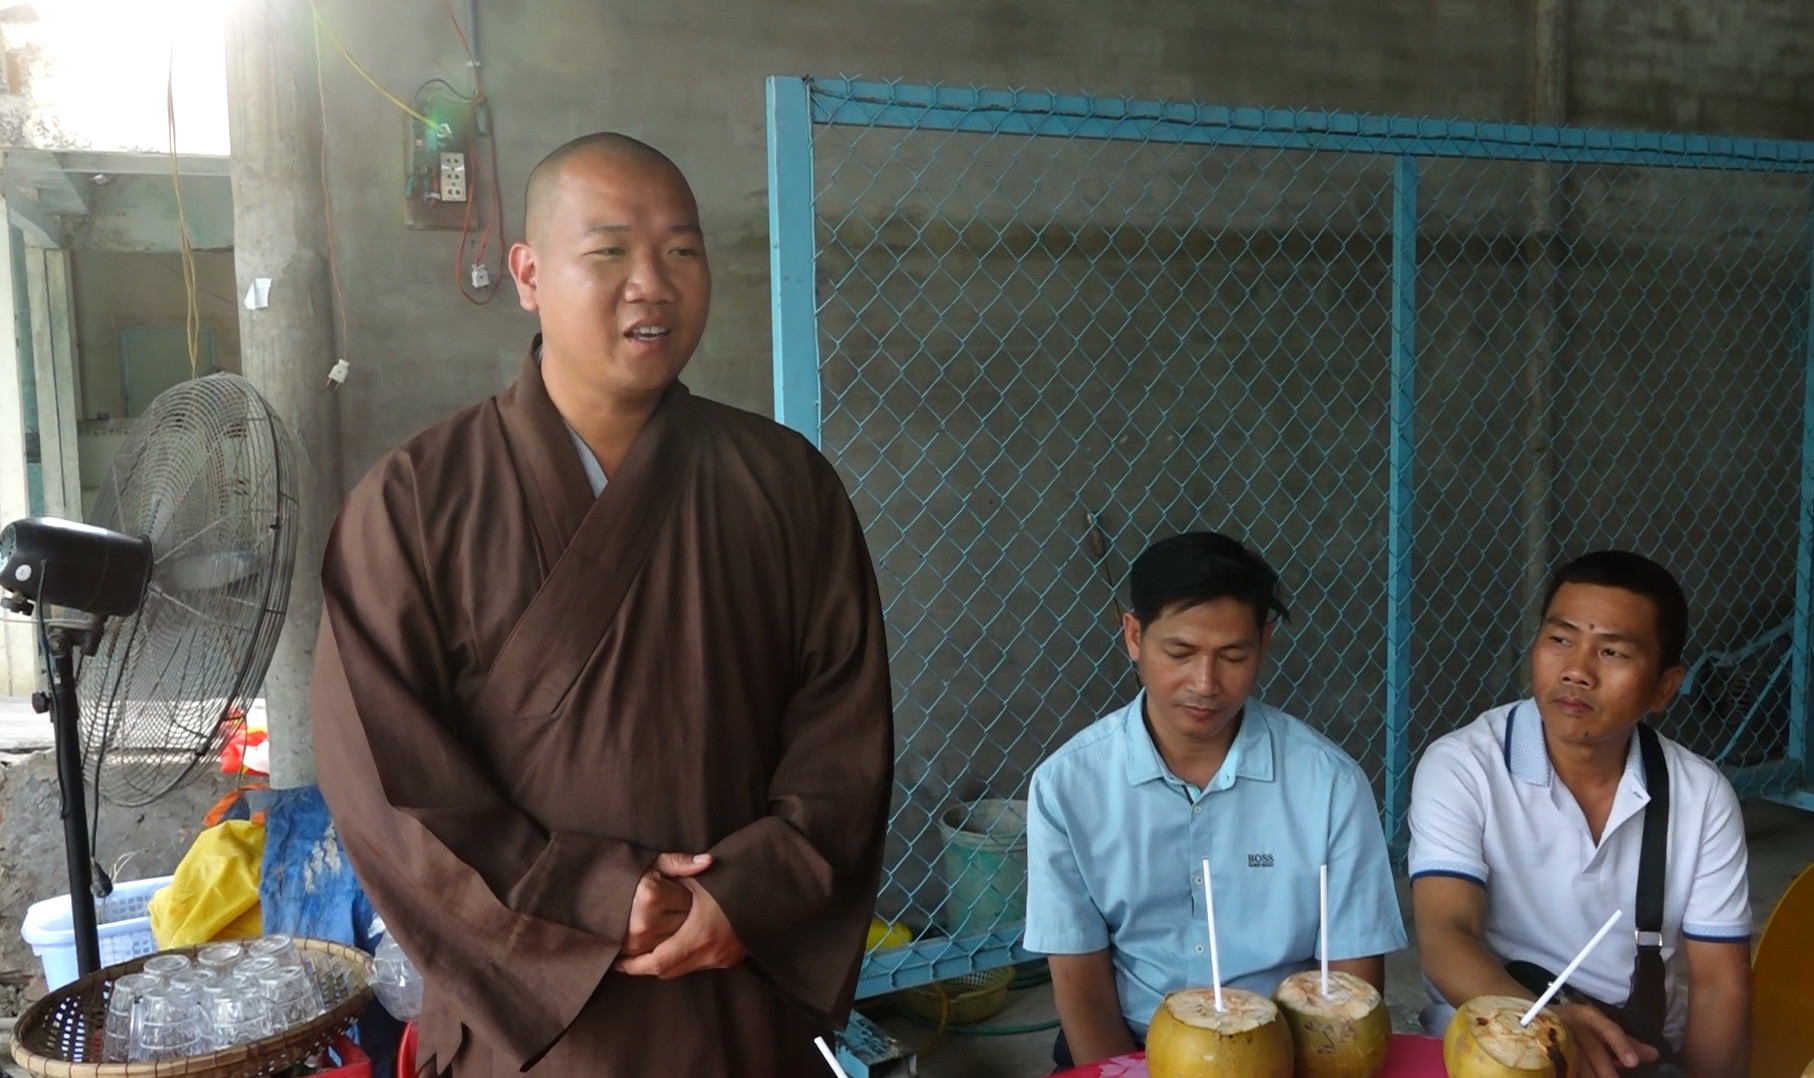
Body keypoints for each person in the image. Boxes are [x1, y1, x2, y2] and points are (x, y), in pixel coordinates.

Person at [310, 132, 895, 1076]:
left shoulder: (786, 484)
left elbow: (845, 729)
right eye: (611, 250)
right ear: (528, 274)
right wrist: (587, 895)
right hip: (533, 1032)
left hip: (733, 1005)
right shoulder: (416, 501)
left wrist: (753, 890)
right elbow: (386, 777)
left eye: (681, 249)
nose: (652, 283)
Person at [1024, 531, 1407, 1070]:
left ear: (1264, 643)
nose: (1205, 683)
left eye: (1232, 656)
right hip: (1129, 1046)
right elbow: (1081, 989)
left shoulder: (1330, 785)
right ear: (1134, 636)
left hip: (1284, 1052)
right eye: (1180, 653)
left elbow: (1351, 992)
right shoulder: (1067, 787)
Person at [1410, 550, 1751, 1078]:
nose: (1577, 671)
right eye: (1560, 639)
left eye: (1612, 651)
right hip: (1493, 1043)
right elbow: (1446, 933)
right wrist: (1547, 1026)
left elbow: (1719, 987)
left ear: (1665, 687)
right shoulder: (1463, 766)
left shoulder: (1701, 796)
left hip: (1633, 1053)